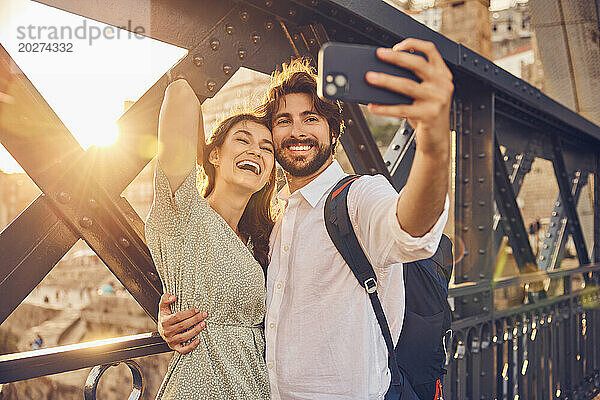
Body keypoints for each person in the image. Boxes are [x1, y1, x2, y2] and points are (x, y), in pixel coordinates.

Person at [158, 38, 454, 399]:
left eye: (310, 118)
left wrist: (434, 143)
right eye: (283, 121)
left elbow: (410, 228)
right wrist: (173, 315)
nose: (297, 131)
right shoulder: (274, 226)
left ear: (332, 132)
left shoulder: (359, 198)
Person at [146, 78, 277, 399]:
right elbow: (181, 94)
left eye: (266, 147)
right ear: (215, 155)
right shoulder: (183, 210)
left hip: (255, 387)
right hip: (201, 387)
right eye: (243, 140)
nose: (255, 151)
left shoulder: (261, 241)